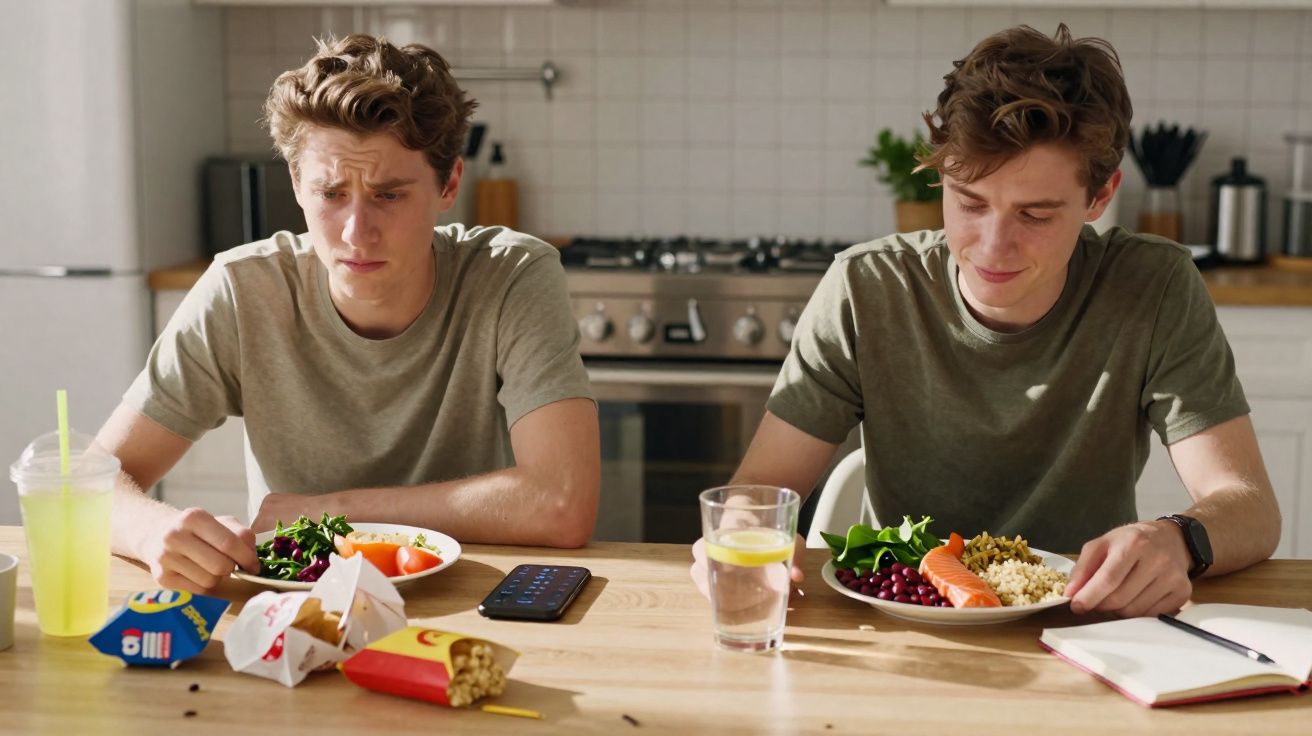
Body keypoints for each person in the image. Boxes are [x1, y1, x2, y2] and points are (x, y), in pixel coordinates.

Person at [692, 24, 1280, 619]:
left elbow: (1249, 507)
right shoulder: (867, 288)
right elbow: (760, 491)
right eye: (970, 203)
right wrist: (742, 532)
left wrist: (1178, 538)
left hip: (1080, 626)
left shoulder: (1153, 286)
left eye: (1036, 214)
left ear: (1100, 197)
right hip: (903, 623)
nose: (993, 248)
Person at [97, 34, 600, 593]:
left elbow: (561, 502)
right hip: (295, 611)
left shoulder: (513, 277)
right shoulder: (242, 290)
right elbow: (87, 482)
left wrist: (333, 511)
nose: (357, 233)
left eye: (389, 195)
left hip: (471, 599)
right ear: (296, 185)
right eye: (332, 194)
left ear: (449, 184)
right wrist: (150, 531)